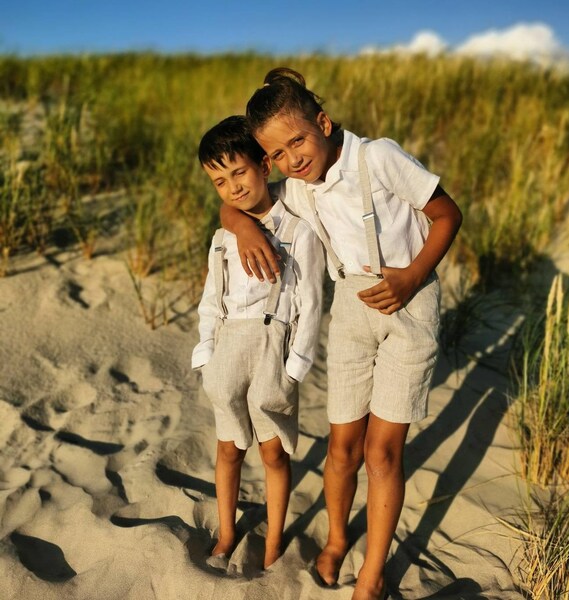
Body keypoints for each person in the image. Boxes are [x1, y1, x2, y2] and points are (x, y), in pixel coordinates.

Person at [220, 68, 463, 600]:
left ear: (324, 123)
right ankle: (335, 540)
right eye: (278, 155)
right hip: (351, 311)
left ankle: (372, 575)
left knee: (382, 454)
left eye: (299, 141)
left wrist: (412, 276)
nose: (293, 160)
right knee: (340, 449)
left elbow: (447, 213)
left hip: (410, 301)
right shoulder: (302, 189)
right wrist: (239, 226)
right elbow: (241, 202)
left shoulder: (377, 157)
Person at [192, 115, 325, 571]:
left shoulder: (298, 229)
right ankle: (227, 531)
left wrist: (294, 369)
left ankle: (272, 539)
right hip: (229, 343)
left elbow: (310, 302)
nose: (233, 187)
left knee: (273, 451)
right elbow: (212, 299)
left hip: (275, 344)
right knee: (229, 445)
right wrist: (207, 354)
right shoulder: (222, 236)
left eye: (240, 172)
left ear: (264, 166)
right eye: (219, 181)